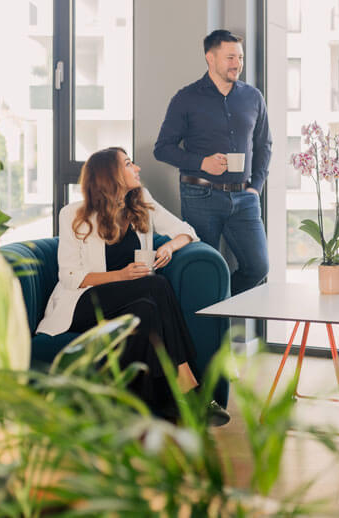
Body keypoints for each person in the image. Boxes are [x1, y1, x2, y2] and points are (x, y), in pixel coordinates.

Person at [36, 147, 230, 425]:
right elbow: (69, 276)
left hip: (132, 296)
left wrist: (170, 249)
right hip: (83, 302)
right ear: (110, 175)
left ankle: (153, 407)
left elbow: (187, 231)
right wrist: (122, 275)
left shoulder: (141, 202)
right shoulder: (72, 214)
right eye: (128, 164)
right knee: (156, 285)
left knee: (147, 310)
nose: (137, 168)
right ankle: (188, 386)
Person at [154, 29, 272, 295]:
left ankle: (219, 305)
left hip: (244, 199)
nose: (237, 64)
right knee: (202, 271)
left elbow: (264, 145)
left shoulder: (253, 97)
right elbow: (162, 149)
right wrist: (201, 162)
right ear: (210, 57)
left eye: (240, 58)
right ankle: (209, 329)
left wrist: (256, 187)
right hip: (200, 196)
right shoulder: (186, 99)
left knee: (258, 267)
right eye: (230, 57)